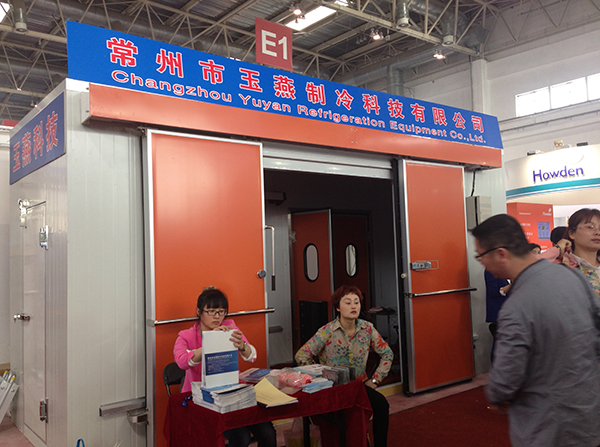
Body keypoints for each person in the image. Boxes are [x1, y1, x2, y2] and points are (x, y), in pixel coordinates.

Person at [471, 214, 600, 447]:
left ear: (501, 254)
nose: (482, 262)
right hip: (588, 411)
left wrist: (497, 394)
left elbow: (507, 376)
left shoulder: (516, 304)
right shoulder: (572, 276)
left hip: (547, 424)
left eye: (481, 256)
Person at [173, 286, 276, 447]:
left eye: (221, 312)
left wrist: (242, 346)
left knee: (268, 433)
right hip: (204, 399)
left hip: (232, 392)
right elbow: (182, 361)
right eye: (211, 311)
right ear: (199, 312)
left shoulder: (230, 327)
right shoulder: (186, 335)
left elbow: (252, 356)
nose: (217, 317)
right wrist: (211, 341)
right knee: (241, 437)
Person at [295, 285, 393, 447]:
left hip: (359, 387)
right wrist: (319, 376)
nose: (353, 306)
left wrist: (375, 380)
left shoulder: (367, 329)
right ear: (338, 308)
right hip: (333, 388)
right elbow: (301, 355)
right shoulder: (327, 331)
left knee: (382, 405)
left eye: (356, 302)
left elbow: (387, 354)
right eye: (348, 302)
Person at [541, 209, 600, 297]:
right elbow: (530, 270)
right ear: (572, 233)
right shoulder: (563, 265)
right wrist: (557, 248)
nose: (598, 232)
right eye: (590, 227)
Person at [484, 269, 509, 361]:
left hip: (507, 313)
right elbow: (493, 292)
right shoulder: (490, 270)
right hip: (498, 314)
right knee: (499, 347)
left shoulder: (507, 269)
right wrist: (510, 286)